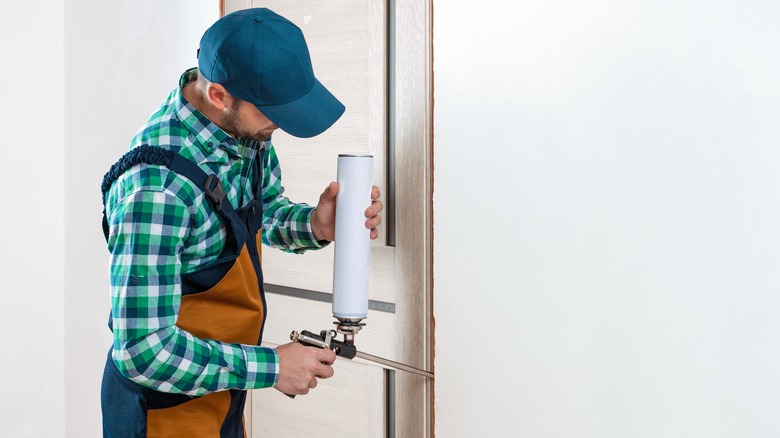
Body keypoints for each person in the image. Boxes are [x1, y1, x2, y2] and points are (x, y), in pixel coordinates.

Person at [99, 8, 382, 437]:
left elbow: (260, 212)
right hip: (161, 412)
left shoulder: (243, 130)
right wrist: (273, 367)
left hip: (220, 396)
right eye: (273, 111)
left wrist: (316, 225)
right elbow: (142, 352)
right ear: (218, 95)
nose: (280, 125)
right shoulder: (156, 190)